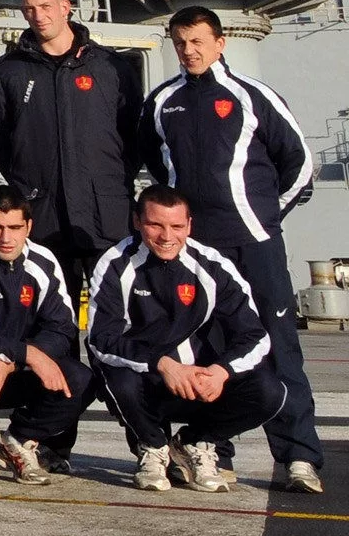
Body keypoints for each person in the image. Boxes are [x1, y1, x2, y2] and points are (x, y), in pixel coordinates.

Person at [144, 6, 323, 493]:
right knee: (208, 350)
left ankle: (298, 458)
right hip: (198, 253)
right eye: (181, 42)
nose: (190, 50)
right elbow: (160, 173)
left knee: (278, 347)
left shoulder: (252, 96)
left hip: (254, 246)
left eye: (199, 40)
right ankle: (211, 451)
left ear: (219, 43)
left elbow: (300, 165)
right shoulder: (162, 102)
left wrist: (264, 220)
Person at [89, 185, 285, 494]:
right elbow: (101, 339)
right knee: (113, 376)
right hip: (149, 380)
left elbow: (255, 335)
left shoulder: (211, 264)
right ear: (138, 222)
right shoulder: (114, 263)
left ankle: (196, 442)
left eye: (177, 226)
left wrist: (221, 372)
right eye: (156, 225)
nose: (167, 236)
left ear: (189, 225)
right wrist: (162, 365)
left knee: (270, 391)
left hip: (199, 380)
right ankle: (152, 447)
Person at [0, 0, 145, 290]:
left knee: (116, 315)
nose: (38, 16)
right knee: (54, 320)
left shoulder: (110, 68)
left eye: (45, 6)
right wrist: (31, 183)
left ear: (65, 6)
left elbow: (134, 137)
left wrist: (109, 182)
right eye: (29, 9)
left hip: (106, 218)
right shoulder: (9, 72)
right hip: (45, 218)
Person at [0, 185, 89, 486]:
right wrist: (24, 354)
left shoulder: (44, 262)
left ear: (29, 226)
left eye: (15, 227)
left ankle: (17, 440)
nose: (6, 238)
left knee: (81, 378)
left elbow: (63, 329)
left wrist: (17, 359)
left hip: (14, 370)